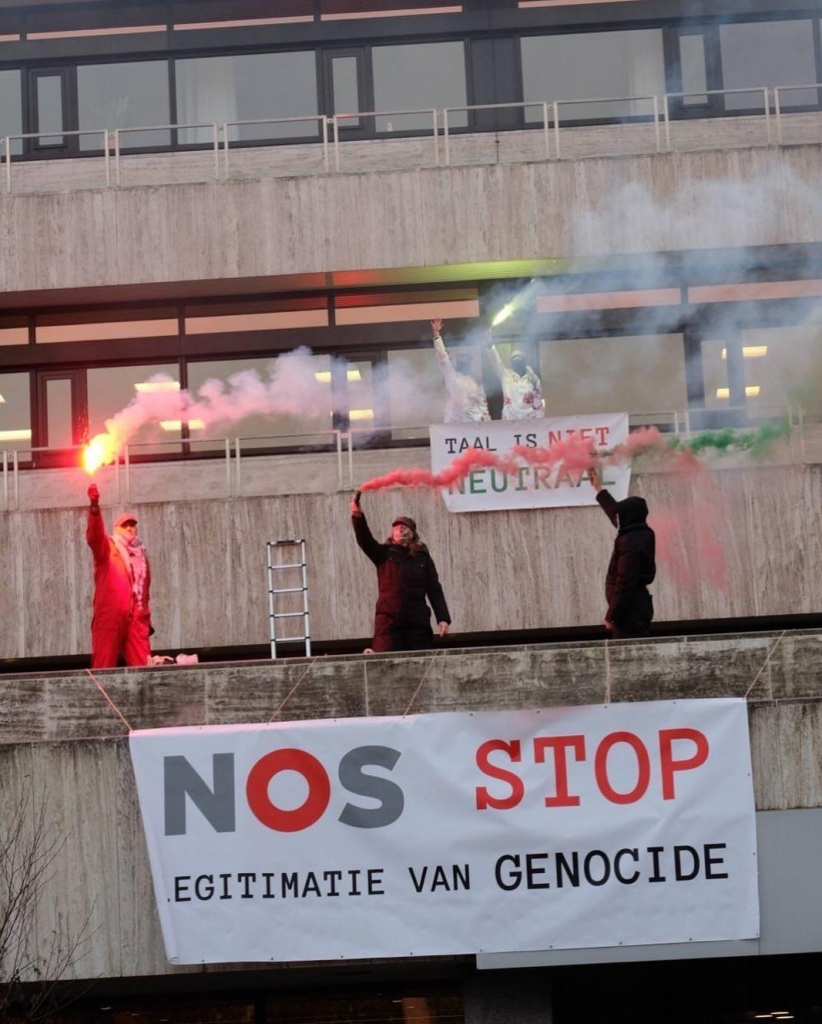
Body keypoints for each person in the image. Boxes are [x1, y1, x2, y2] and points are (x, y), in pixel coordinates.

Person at [350, 492, 451, 653]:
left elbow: (434, 589)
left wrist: (443, 618)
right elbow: (365, 540)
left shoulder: (423, 558)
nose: (401, 532)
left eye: (405, 529)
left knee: (420, 663)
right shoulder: (383, 553)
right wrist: (358, 518)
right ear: (392, 533)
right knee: (384, 663)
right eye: (397, 529)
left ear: (413, 534)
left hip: (417, 623)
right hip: (388, 622)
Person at [86, 483, 153, 668]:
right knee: (104, 665)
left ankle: (143, 696)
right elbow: (94, 536)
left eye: (133, 525)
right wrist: (94, 509)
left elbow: (144, 593)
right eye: (126, 525)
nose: (130, 528)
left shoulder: (142, 557)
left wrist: (145, 619)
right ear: (117, 528)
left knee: (143, 667)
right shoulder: (108, 548)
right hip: (110, 616)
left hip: (136, 618)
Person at [589, 467, 656, 639]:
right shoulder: (634, 531)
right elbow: (613, 511)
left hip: (629, 613)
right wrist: (598, 487)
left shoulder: (631, 542)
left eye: (621, 514)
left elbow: (626, 581)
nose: (616, 516)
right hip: (632, 608)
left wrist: (612, 615)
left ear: (628, 517)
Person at [431, 318, 490, 424]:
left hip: (474, 425)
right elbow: (442, 357)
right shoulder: (450, 374)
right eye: (461, 359)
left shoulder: (475, 379)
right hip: (454, 425)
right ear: (457, 362)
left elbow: (482, 403)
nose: (463, 361)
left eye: (466, 359)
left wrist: (487, 422)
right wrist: (436, 334)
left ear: (470, 362)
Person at [486, 332, 544, 419]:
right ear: (511, 362)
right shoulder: (505, 375)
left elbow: (538, 400)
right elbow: (495, 361)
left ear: (524, 361)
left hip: (530, 420)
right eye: (514, 358)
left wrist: (541, 421)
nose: (516, 359)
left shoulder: (533, 378)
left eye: (519, 357)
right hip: (510, 420)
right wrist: (489, 342)